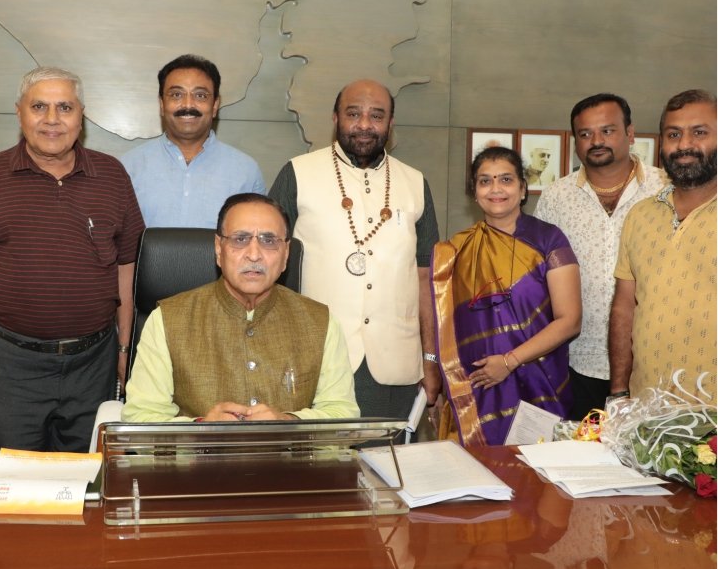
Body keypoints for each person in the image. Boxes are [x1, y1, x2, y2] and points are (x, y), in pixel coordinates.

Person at [0, 66, 145, 457]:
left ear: (81, 116)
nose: (52, 119)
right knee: (17, 478)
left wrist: (124, 351)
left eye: (64, 107)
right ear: (19, 113)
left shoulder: (112, 175)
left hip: (94, 365)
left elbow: (127, 270)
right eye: (39, 107)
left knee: (86, 477)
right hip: (9, 366)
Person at [268, 80, 441, 420]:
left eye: (376, 116)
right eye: (353, 114)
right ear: (335, 118)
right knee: (318, 454)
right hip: (314, 359)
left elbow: (426, 279)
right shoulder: (297, 174)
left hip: (394, 365)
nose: (364, 124)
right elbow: (268, 265)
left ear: (390, 124)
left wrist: (430, 358)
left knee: (387, 453)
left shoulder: (415, 183)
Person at [123, 193, 359, 422]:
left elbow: (343, 414)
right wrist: (201, 428)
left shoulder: (320, 322)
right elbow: (140, 418)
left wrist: (288, 421)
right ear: (219, 248)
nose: (254, 255)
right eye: (240, 239)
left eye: (269, 241)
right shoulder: (166, 320)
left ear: (286, 253)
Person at [431, 147, 581, 446]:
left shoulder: (549, 240)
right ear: (474, 193)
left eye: (506, 179)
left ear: (522, 189)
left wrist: (509, 362)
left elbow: (570, 320)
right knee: (479, 469)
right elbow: (446, 332)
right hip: (479, 387)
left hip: (539, 383)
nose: (496, 188)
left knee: (536, 471)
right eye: (485, 181)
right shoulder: (456, 251)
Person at [535, 93, 666, 419]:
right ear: (575, 142)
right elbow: (537, 278)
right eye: (585, 134)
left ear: (630, 133)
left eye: (607, 130)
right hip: (575, 362)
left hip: (650, 361)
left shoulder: (665, 188)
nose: (596, 141)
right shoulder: (556, 197)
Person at [610, 89, 716, 403]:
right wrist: (619, 391)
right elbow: (624, 308)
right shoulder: (639, 216)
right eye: (673, 134)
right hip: (647, 408)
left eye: (699, 132)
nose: (684, 144)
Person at [121, 54, 265, 228]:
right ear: (162, 104)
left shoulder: (246, 171)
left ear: (215, 105)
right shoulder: (127, 168)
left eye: (200, 96)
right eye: (176, 94)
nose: (188, 105)